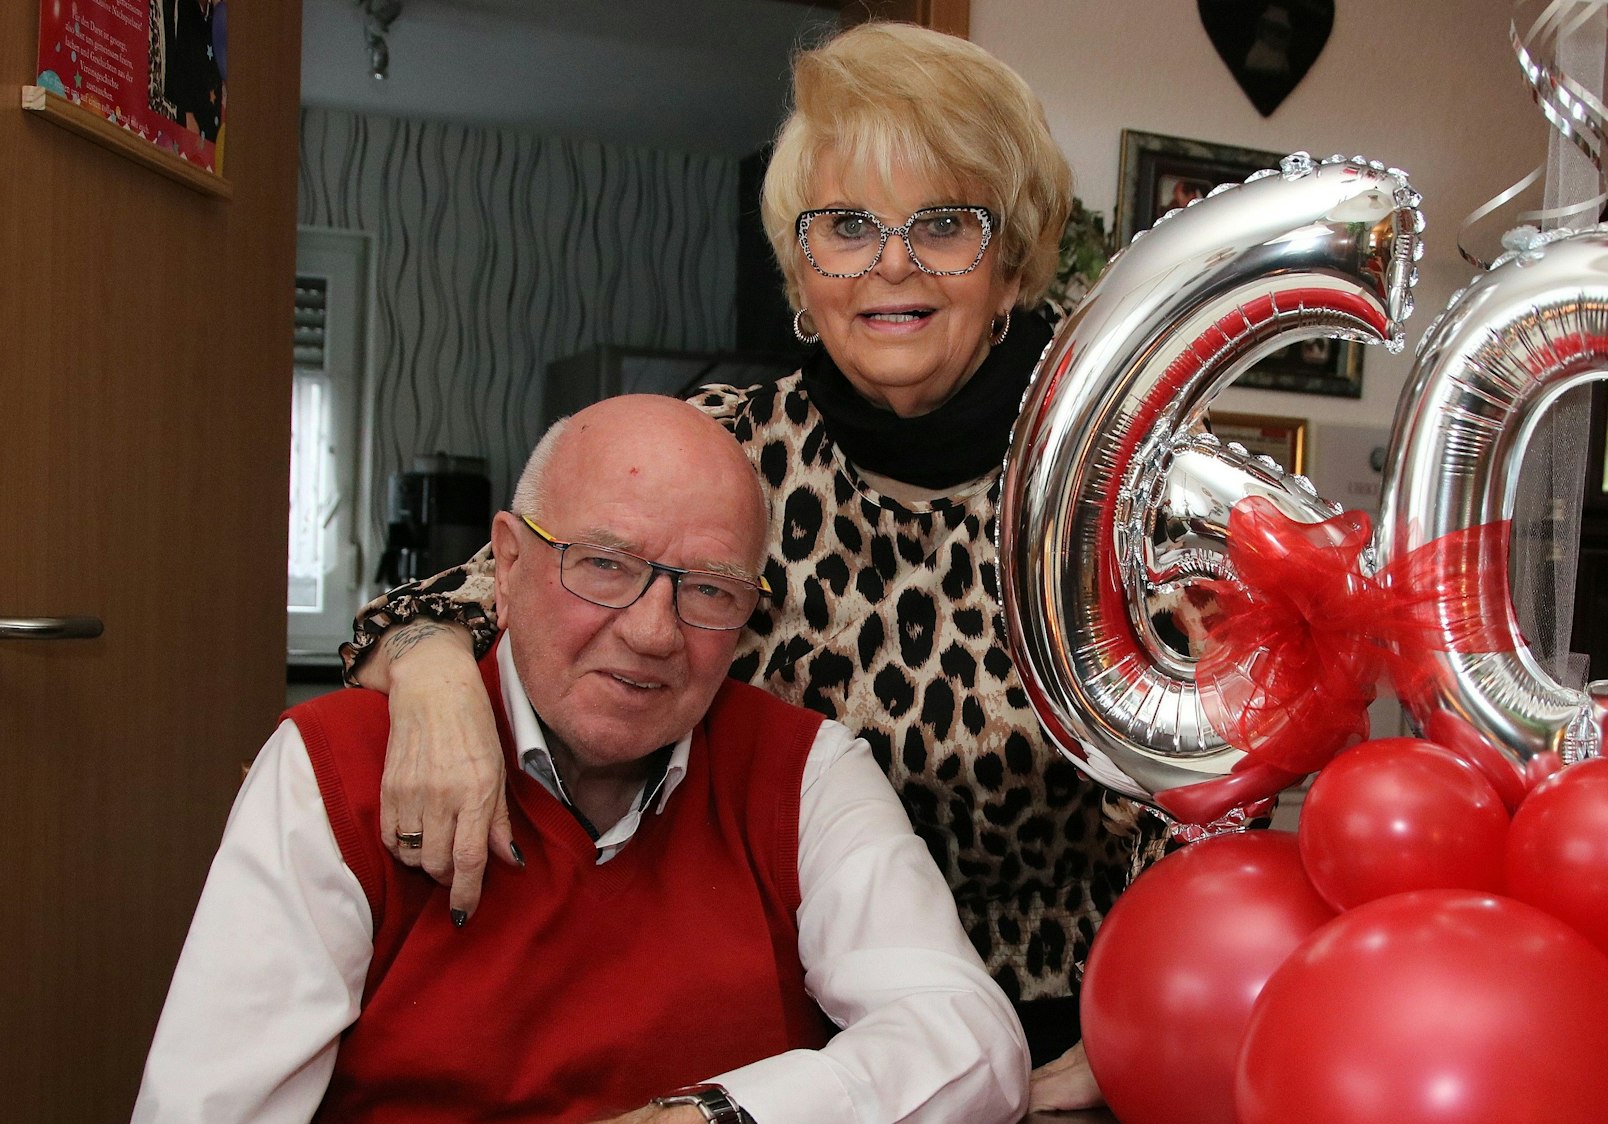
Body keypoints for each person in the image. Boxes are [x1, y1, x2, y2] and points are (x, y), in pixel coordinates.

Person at [340, 22, 1126, 1110]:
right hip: (769, 1036)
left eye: (944, 223)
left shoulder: (1110, 481)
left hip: (1046, 1051)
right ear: (803, 270)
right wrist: (432, 677)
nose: (891, 263)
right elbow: (488, 592)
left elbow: (1211, 795)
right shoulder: (725, 450)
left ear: (1013, 263)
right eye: (846, 225)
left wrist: (1139, 1031)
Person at [135, 396, 1027, 1123]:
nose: (652, 633)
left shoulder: (806, 773)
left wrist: (710, 1119)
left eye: (708, 589)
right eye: (604, 565)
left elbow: (971, 1040)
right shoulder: (331, 771)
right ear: (506, 564)